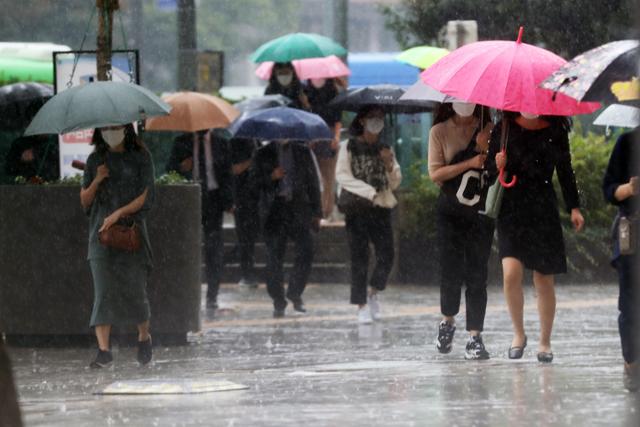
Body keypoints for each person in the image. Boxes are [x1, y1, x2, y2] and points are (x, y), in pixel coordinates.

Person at [486, 111, 585, 363]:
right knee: (511, 273)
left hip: (543, 207)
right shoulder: (504, 128)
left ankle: (545, 341)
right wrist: (496, 164)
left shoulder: (555, 130)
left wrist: (574, 207)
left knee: (544, 278)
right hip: (512, 206)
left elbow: (565, 169)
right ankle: (518, 334)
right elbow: (487, 173)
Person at [80, 123, 155, 368]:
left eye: (116, 127)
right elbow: (85, 200)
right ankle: (104, 350)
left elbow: (146, 195)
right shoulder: (95, 160)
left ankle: (143, 337)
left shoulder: (141, 157)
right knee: (103, 293)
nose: (111, 131)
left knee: (135, 290)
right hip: (101, 236)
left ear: (126, 128)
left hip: (131, 234)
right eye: (106, 128)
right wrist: (98, 179)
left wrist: (119, 213)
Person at [428, 102, 494, 360]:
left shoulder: (491, 128)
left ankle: (475, 336)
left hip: (480, 212)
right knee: (450, 270)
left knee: (478, 273)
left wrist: (488, 148)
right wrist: (471, 160)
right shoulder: (439, 132)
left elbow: (499, 168)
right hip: (450, 212)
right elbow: (436, 174)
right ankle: (447, 321)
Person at [335, 105, 402, 324]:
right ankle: (361, 304)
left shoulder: (385, 148)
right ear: (362, 121)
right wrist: (368, 191)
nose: (377, 122)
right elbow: (342, 176)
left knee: (387, 254)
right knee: (359, 257)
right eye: (372, 117)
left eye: (380, 118)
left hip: (381, 207)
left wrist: (389, 163)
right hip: (357, 208)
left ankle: (373, 291)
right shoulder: (349, 146)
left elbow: (394, 182)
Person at [251, 139, 322, 317]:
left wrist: (317, 212)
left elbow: (313, 181)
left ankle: (295, 291)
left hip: (298, 209)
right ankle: (278, 300)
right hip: (274, 211)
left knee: (307, 249)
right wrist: (271, 177)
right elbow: (252, 184)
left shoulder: (303, 152)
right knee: (274, 257)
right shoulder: (262, 153)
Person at [166, 129, 234, 310]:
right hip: (189, 199)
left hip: (214, 200)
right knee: (187, 248)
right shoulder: (181, 142)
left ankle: (212, 295)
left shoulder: (221, 143)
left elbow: (227, 174)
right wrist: (181, 167)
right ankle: (186, 293)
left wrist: (229, 201)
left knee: (214, 249)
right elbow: (169, 170)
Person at [602, 128, 639, 391]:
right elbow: (608, 190)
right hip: (632, 235)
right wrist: (628, 188)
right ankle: (632, 359)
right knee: (630, 303)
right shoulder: (626, 142)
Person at [306, 77, 344, 219]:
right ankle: (317, 210)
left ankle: (327, 210)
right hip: (312, 136)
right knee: (314, 176)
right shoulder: (306, 89)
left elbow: (337, 117)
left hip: (328, 134)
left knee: (328, 176)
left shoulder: (332, 89)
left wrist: (336, 137)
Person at [231, 137, 261, 287]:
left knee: (250, 236)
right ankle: (247, 273)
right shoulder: (237, 142)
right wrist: (252, 160)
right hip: (242, 197)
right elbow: (233, 169)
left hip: (256, 197)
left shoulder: (258, 143)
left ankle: (243, 261)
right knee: (244, 236)